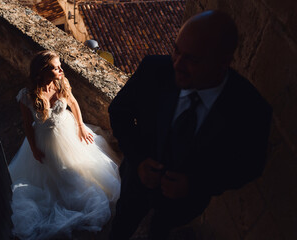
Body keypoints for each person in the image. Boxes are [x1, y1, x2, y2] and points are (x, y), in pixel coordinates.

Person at [108, 10, 272, 240]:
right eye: (176, 51)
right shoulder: (154, 70)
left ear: (224, 62)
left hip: (184, 204)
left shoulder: (251, 109)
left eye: (192, 59)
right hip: (136, 182)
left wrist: (196, 185)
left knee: (161, 232)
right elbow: (119, 112)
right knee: (121, 225)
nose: (177, 64)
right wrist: (139, 160)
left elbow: (249, 165)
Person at [8, 50, 121, 240]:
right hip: (44, 141)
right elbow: (28, 126)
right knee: (52, 178)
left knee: (81, 170)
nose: (61, 69)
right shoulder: (27, 96)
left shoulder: (61, 83)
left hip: (67, 132)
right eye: (55, 68)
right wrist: (34, 149)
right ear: (41, 72)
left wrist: (81, 126)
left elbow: (74, 104)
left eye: (59, 65)